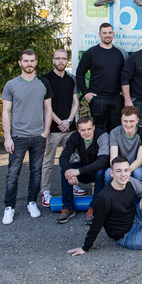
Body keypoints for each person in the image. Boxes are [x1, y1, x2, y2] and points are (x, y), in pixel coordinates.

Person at [1, 49, 53, 225]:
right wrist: (7, 137)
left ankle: (32, 202)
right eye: (26, 61)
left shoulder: (44, 83)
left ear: (36, 62)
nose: (29, 64)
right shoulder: (11, 85)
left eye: (32, 61)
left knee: (36, 172)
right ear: (20, 63)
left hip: (38, 136)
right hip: (18, 136)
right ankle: (9, 207)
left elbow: (48, 108)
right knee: (13, 174)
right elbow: (6, 111)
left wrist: (46, 131)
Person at [41, 49, 80, 208]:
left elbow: (76, 102)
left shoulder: (71, 79)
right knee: (48, 161)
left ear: (67, 61)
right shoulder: (45, 79)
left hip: (70, 127)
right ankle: (45, 191)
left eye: (63, 58)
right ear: (53, 60)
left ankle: (73, 185)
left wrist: (69, 120)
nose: (61, 61)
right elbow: (46, 106)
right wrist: (59, 122)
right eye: (57, 58)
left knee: (72, 159)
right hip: (53, 128)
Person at [76, 22, 129, 132]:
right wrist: (86, 94)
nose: (107, 35)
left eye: (110, 32)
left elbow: (128, 74)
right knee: (98, 131)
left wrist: (125, 92)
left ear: (113, 34)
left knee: (115, 131)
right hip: (97, 99)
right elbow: (80, 73)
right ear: (99, 34)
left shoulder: (120, 53)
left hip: (116, 98)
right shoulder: (91, 52)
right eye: (104, 33)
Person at [57, 116, 110, 225]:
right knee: (66, 170)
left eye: (89, 129)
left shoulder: (102, 135)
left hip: (98, 171)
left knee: (101, 171)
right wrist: (69, 172)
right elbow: (63, 157)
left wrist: (79, 171)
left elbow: (103, 160)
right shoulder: (74, 136)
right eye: (83, 130)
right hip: (85, 168)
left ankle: (94, 208)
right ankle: (68, 207)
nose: (86, 133)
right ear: (78, 130)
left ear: (94, 127)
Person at [105, 106, 142, 184]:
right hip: (119, 165)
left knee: (138, 173)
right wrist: (120, 171)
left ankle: (139, 191)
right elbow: (113, 158)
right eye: (125, 121)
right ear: (121, 120)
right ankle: (109, 192)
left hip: (136, 166)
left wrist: (126, 171)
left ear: (137, 120)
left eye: (131, 121)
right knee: (108, 174)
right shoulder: (115, 132)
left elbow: (140, 159)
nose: (128, 124)